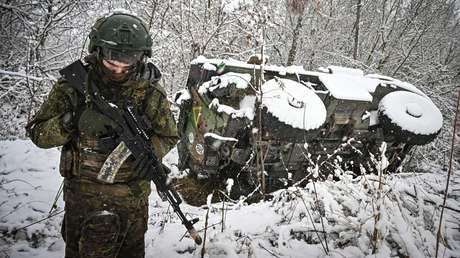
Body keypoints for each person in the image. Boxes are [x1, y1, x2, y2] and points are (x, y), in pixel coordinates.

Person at [26, 12, 178, 258]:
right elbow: (37, 132)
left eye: (127, 61)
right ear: (97, 51)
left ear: (141, 58)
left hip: (133, 203)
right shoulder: (74, 86)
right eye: (111, 59)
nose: (118, 68)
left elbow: (170, 135)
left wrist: (147, 155)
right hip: (84, 201)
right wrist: (72, 121)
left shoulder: (149, 92)